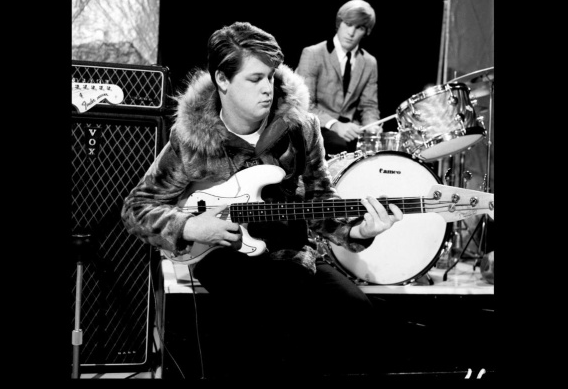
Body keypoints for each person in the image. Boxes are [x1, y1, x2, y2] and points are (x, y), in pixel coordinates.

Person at [121, 22, 404, 379]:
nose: (267, 88)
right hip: (225, 255)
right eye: (255, 79)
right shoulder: (191, 137)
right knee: (274, 325)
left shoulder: (301, 128)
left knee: (357, 312)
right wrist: (191, 226)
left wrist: (359, 230)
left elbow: (319, 201)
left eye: (270, 77)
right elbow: (136, 208)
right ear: (222, 79)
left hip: (291, 252)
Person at [296, 0, 381, 156]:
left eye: (359, 28)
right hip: (318, 126)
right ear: (339, 23)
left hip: (351, 128)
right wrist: (335, 125)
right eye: (348, 24)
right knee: (337, 145)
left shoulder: (369, 62)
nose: (351, 33)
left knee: (379, 151)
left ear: (366, 32)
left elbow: (369, 106)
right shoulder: (313, 54)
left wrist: (371, 126)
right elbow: (304, 105)